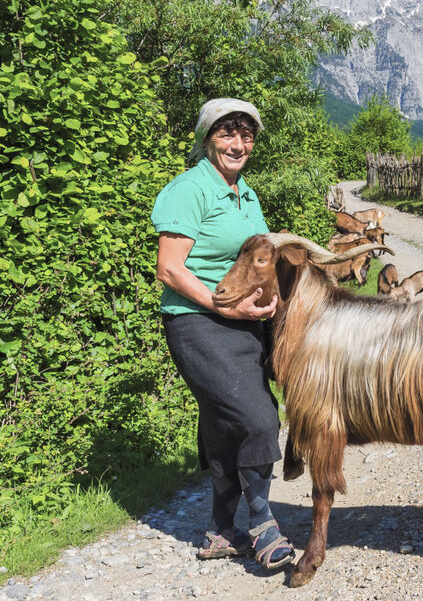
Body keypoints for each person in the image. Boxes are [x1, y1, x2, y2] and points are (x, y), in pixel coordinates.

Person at [151, 98, 295, 569]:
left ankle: (220, 529)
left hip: (245, 322)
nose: (238, 144)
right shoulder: (189, 190)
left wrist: (272, 299)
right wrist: (220, 304)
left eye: (246, 135)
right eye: (227, 133)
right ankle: (263, 525)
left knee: (224, 422)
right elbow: (169, 269)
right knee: (258, 418)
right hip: (198, 322)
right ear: (206, 138)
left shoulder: (246, 195)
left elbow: (259, 261)